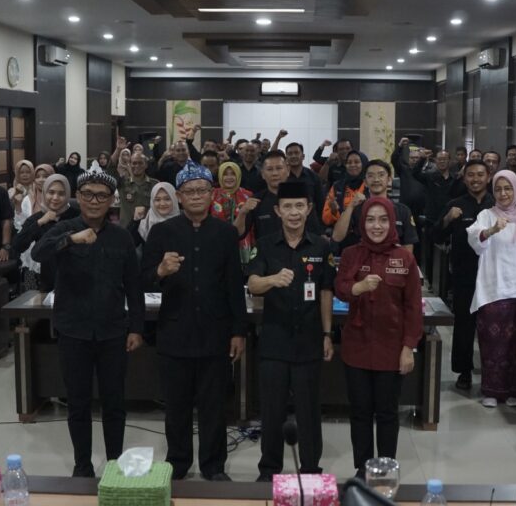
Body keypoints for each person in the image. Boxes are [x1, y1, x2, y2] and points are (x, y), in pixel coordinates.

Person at [32, 170, 144, 477]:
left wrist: (136, 328)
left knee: (114, 403)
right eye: (88, 195)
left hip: (113, 332)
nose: (95, 201)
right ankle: (82, 465)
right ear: (78, 198)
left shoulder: (121, 237)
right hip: (73, 331)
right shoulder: (65, 228)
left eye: (102, 196)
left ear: (111, 201)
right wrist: (71, 240)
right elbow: (38, 253)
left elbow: (134, 286)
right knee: (78, 402)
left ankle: (115, 464)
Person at [141, 161, 247, 481]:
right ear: (179, 196)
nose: (197, 196)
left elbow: (234, 286)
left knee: (214, 405)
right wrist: (160, 271)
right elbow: (142, 279)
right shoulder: (162, 232)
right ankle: (178, 462)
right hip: (175, 332)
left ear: (212, 193)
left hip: (216, 333)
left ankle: (214, 465)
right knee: (177, 405)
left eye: (202, 190)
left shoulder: (226, 233)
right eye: (190, 191)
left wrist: (239, 331)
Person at [247, 181, 335, 482]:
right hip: (274, 340)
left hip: (310, 340)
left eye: (299, 206)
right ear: (277, 211)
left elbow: (326, 292)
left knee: (309, 411)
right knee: (271, 410)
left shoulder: (321, 246)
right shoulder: (266, 244)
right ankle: (269, 469)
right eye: (288, 207)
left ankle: (310, 469)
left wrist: (327, 335)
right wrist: (272, 279)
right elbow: (253, 284)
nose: (294, 212)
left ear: (308, 209)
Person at [335, 198, 422, 476]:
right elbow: (340, 288)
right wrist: (358, 287)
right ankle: (363, 470)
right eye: (371, 219)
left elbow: (413, 307)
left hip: (391, 348)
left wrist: (408, 347)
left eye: (383, 220)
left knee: (387, 413)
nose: (377, 226)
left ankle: (384, 470)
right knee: (360, 412)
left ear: (392, 223)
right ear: (362, 223)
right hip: (357, 347)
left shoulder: (405, 258)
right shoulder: (351, 254)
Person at [467, 170, 516, 408]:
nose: (503, 193)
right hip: (494, 289)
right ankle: (491, 391)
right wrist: (491, 230)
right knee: (492, 344)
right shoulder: (486, 215)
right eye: (498, 189)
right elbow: (474, 240)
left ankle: (514, 391)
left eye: (508, 188)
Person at [433, 160, 493, 391]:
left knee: (491, 325)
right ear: (464, 178)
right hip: (464, 274)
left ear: (488, 177)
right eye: (471, 175)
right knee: (464, 325)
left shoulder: (496, 205)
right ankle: (464, 372)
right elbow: (436, 236)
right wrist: (448, 219)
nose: (475, 179)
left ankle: (492, 372)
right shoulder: (455, 204)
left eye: (480, 174)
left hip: (492, 275)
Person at [332, 160, 417, 253]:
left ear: (389, 180)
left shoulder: (403, 211)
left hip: (392, 260)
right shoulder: (357, 209)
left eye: (381, 175)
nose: (376, 179)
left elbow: (408, 246)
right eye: (371, 176)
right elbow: (337, 237)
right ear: (365, 182)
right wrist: (351, 206)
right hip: (363, 259)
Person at [12, 174, 79, 291]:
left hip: (76, 282)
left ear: (68, 194)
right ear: (44, 193)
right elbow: (18, 245)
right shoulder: (37, 219)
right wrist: (40, 222)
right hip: (48, 283)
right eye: (51, 192)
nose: (55, 197)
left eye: (61, 194)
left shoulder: (76, 215)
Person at [249, 151, 323, 240]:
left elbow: (314, 231)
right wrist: (242, 213)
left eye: (279, 168)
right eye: (269, 169)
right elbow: (241, 233)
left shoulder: (302, 196)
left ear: (288, 170)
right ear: (262, 174)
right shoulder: (256, 200)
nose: (275, 173)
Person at [210, 162, 257, 268]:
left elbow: (252, 224)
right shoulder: (212, 194)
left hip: (243, 243)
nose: (229, 177)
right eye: (225, 174)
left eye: (233, 174)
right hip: (217, 242)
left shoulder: (248, 195)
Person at [322, 150, 368, 227]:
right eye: (349, 162)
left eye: (356, 162)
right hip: (341, 231)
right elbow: (325, 219)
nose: (352, 165)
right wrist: (333, 211)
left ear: (364, 164)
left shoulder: (370, 185)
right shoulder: (337, 186)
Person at [130, 182, 180, 250]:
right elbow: (128, 245)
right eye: (157, 200)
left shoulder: (184, 220)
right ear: (152, 201)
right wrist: (135, 221)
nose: (162, 204)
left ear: (174, 199)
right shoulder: (145, 222)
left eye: (167, 199)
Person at [284, 142, 325, 217]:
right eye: (290, 154)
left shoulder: (313, 177)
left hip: (311, 220)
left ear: (303, 156)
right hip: (288, 220)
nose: (293, 156)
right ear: (286, 158)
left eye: (296, 153)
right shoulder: (281, 178)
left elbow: (320, 203)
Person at [116, 152, 157, 228]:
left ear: (146, 165)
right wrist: (118, 150)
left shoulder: (155, 184)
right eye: (134, 163)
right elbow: (110, 172)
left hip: (147, 228)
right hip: (127, 229)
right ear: (130, 165)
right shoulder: (122, 183)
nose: (137, 166)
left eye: (140, 163)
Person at [8, 159, 35, 232]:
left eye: (28, 172)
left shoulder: (37, 189)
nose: (25, 175)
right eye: (21, 172)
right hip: (17, 225)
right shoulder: (11, 191)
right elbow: (8, 208)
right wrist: (16, 193)